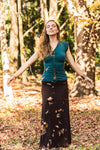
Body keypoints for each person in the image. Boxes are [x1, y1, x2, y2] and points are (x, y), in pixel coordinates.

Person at [7, 19, 94, 150]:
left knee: (62, 112)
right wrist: (14, 75)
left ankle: (60, 142)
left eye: (53, 26)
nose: (51, 28)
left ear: (57, 29)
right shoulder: (42, 47)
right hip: (47, 84)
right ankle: (47, 143)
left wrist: (84, 76)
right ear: (46, 31)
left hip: (61, 84)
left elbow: (73, 63)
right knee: (47, 112)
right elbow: (28, 62)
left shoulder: (64, 45)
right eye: (48, 26)